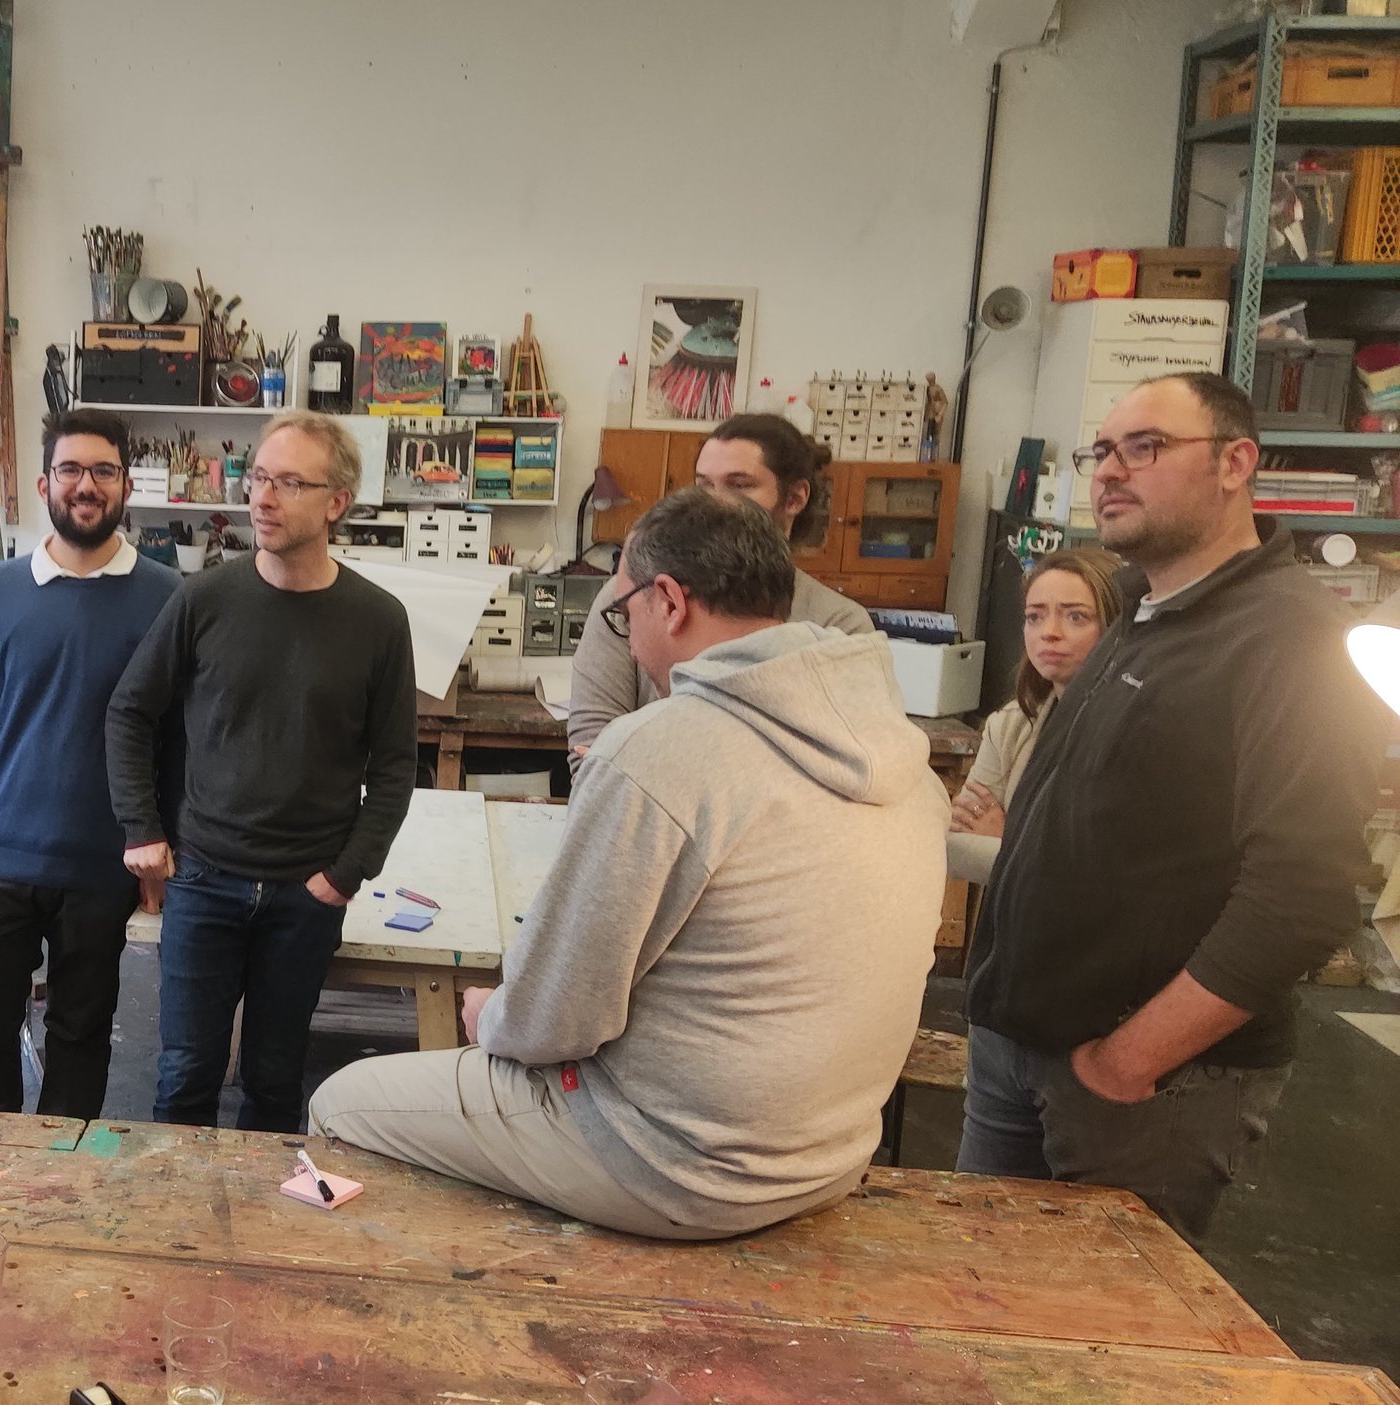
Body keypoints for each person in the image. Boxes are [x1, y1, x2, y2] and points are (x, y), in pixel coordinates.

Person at [309, 488, 944, 1238]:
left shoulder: (662, 752)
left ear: (668, 601)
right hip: (829, 1152)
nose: (627, 639)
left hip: (676, 1164)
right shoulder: (897, 751)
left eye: (622, 615)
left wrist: (490, 1016)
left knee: (341, 1104)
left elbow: (557, 1018)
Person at [960, 372, 1386, 1236]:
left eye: (1145, 447)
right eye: (1102, 451)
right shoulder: (1142, 609)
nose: (1111, 470)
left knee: (1092, 1345)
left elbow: (1304, 891)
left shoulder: (1286, 635)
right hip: (1021, 1045)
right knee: (979, 1316)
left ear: (1236, 462)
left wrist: (1129, 1058)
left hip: (1141, 1084)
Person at [106, 410, 416, 1133]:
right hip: (204, 882)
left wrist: (343, 875)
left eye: (288, 483)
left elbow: (397, 764)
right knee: (185, 1077)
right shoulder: (206, 598)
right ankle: (176, 1237)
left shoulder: (378, 621)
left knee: (276, 1085)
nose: (262, 498)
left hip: (304, 895)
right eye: (258, 478)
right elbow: (130, 711)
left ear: (337, 501)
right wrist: (141, 827)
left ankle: (255, 1238)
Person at [0, 408, 180, 1119]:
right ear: (45, 482)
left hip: (104, 865)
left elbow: (181, 735)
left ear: (127, 485)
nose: (86, 485)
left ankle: (57, 1178)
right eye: (70, 469)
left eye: (103, 470)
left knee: (81, 1035)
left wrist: (163, 847)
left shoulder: (167, 599)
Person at [567, 414, 873, 766]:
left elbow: (839, 770)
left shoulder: (841, 626)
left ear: (794, 499)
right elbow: (590, 759)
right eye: (704, 485)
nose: (714, 501)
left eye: (739, 485)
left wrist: (640, 767)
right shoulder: (632, 597)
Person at [945, 547, 1124, 884]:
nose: (1049, 632)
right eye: (1035, 616)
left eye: (1076, 617)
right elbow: (957, 850)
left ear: (1114, 626)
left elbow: (1101, 878)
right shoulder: (1011, 725)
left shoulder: (1133, 729)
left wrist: (1007, 838)